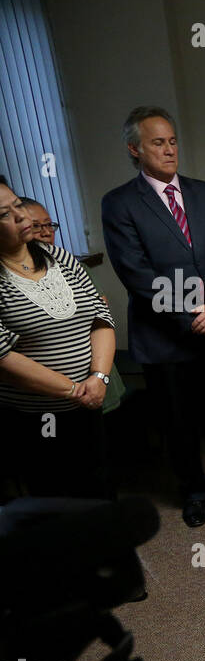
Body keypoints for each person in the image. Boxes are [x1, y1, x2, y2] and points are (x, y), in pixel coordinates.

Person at [101, 106, 205, 527]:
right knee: (179, 421)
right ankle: (193, 492)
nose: (169, 149)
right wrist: (196, 317)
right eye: (158, 142)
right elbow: (138, 275)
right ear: (134, 149)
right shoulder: (119, 203)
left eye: (172, 141)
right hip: (165, 336)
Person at [0, 182, 117, 498]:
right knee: (55, 498)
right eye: (4, 214)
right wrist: (73, 390)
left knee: (100, 487)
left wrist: (99, 377)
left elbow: (101, 319)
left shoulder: (59, 257)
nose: (20, 216)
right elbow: (4, 358)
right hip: (35, 416)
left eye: (17, 205)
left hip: (89, 401)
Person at [22, 197, 127, 414]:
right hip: (48, 400)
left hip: (99, 379)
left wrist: (99, 376)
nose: (45, 232)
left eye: (49, 224)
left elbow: (101, 316)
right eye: (35, 226)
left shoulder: (69, 263)